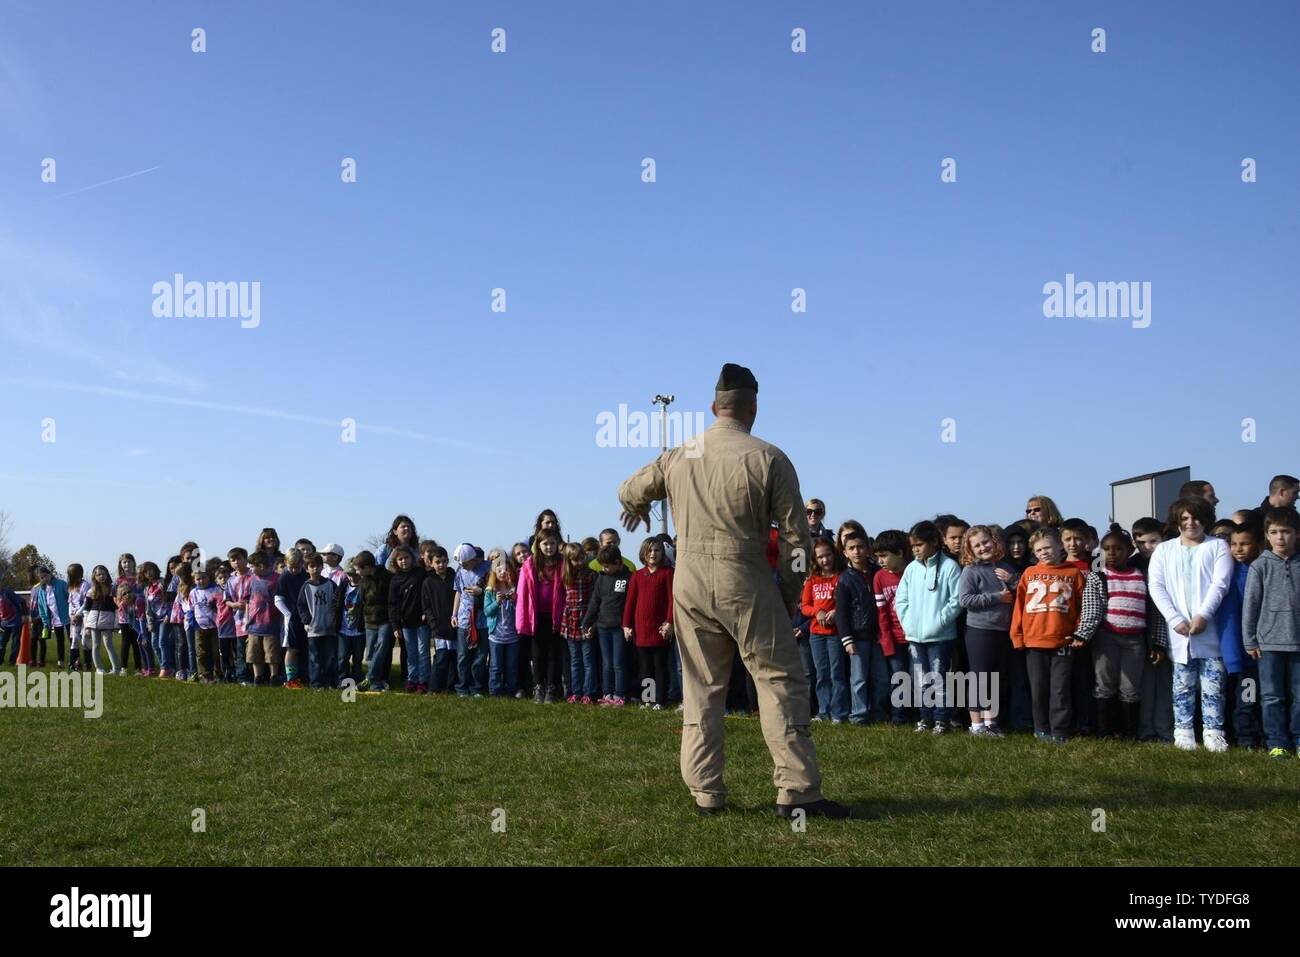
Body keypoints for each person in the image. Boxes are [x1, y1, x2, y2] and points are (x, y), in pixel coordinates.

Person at [618, 362, 846, 818]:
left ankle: (706, 794)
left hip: (690, 581)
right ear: (752, 408)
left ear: (713, 407)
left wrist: (636, 505)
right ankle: (797, 791)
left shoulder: (681, 454)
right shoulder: (769, 457)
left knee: (701, 687)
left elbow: (628, 488)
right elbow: (798, 539)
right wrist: (788, 589)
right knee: (778, 680)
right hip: (746, 579)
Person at [1147, 496, 1233, 752]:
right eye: (1184, 518)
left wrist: (1204, 614)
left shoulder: (1217, 546)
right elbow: (1157, 586)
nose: (1190, 523)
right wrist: (1174, 618)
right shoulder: (1165, 549)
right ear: (1176, 521)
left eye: (1195, 517)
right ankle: (1183, 731)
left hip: (1211, 629)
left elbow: (1220, 583)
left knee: (1213, 685)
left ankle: (1213, 731)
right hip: (1179, 631)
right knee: (1182, 684)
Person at [1010, 527, 1086, 743]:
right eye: (1039, 549)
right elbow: (1019, 607)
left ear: (1059, 546)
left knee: (1060, 690)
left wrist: (1078, 633)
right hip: (1034, 640)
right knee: (1039, 689)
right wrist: (1017, 636)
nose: (1044, 552)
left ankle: (1060, 731)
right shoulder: (1029, 573)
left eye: (1048, 547)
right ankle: (1041, 729)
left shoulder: (1073, 573)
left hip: (1063, 640)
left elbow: (1082, 607)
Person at [1242, 507, 1300, 758]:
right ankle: (1277, 742)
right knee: (1272, 696)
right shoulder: (1259, 566)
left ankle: (1298, 740)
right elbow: (1250, 606)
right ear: (1266, 535)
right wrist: (1250, 639)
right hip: (1267, 643)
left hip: (1298, 643)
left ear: (1296, 534)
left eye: (1286, 532)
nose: (1280, 537)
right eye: (1274, 532)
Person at [895, 521, 962, 735]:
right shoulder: (911, 569)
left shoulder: (950, 567)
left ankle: (942, 719)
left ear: (934, 542)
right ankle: (925, 717)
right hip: (915, 636)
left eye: (919, 544)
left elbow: (957, 600)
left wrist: (940, 621)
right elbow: (901, 599)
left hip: (941, 637)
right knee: (921, 679)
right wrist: (908, 623)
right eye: (912, 545)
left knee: (939, 677)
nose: (915, 549)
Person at [957, 525, 1019, 736]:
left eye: (985, 542)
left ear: (994, 541)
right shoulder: (971, 571)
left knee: (995, 677)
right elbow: (965, 600)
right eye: (977, 545)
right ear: (970, 550)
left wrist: (1012, 580)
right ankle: (976, 725)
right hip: (979, 631)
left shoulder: (1005, 567)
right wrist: (997, 597)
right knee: (980, 677)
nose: (983, 547)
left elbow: (1024, 590)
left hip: (1003, 631)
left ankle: (991, 722)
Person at [1216, 524, 1261, 748]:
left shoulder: (1262, 570)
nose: (1238, 549)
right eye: (1234, 544)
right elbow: (1230, 617)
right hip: (1244, 654)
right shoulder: (1230, 575)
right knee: (1246, 698)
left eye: (1244, 544)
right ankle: (1246, 739)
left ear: (1259, 545)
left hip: (1266, 650)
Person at [836, 529, 883, 725]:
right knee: (859, 680)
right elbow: (841, 613)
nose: (857, 552)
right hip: (857, 637)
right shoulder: (845, 579)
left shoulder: (878, 572)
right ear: (845, 552)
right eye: (851, 548)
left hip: (879, 635)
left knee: (882, 679)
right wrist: (847, 640)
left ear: (868, 549)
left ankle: (879, 712)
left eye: (860, 547)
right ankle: (859, 715)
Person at [623, 537, 674, 709]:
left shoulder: (668, 573)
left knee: (660, 667)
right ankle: (648, 698)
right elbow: (630, 602)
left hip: (660, 630)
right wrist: (626, 625)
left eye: (657, 550)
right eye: (650, 550)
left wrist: (669, 622)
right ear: (643, 553)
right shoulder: (637, 575)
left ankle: (660, 700)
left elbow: (672, 600)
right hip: (641, 631)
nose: (653, 553)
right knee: (645, 669)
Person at [517, 530, 567, 704]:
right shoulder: (530, 564)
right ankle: (538, 686)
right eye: (545, 543)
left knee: (554, 654)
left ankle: (552, 687)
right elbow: (522, 593)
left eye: (552, 543)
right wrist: (523, 619)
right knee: (537, 654)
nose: (549, 547)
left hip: (556, 615)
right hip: (535, 616)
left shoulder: (563, 563)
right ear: (538, 545)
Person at [802, 538, 847, 723]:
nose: (825, 560)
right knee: (821, 674)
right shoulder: (812, 580)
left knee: (837, 673)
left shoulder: (842, 576)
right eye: (820, 557)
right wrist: (817, 612)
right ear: (815, 559)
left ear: (834, 554)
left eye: (828, 555)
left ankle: (839, 713)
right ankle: (823, 711)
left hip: (836, 633)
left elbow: (848, 602)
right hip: (816, 634)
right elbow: (804, 606)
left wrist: (837, 611)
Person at [584, 544, 632, 707]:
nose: (604, 569)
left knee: (618, 662)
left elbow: (631, 604)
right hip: (603, 627)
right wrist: (587, 622)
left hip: (620, 628)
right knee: (606, 663)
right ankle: (607, 693)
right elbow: (595, 602)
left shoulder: (629, 578)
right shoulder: (601, 578)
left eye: (607, 566)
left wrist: (628, 624)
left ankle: (620, 695)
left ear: (618, 562)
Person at [872, 530, 912, 725]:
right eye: (878, 556)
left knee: (922, 677)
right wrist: (887, 642)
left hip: (917, 636)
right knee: (899, 678)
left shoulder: (913, 571)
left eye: (884, 555)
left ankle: (924, 716)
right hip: (894, 638)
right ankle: (899, 717)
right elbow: (882, 614)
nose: (880, 560)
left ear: (900, 553)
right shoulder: (879, 577)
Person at [452, 543, 491, 697]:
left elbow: (497, 588)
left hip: (483, 619)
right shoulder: (460, 571)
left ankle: (477, 688)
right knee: (462, 655)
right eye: (461, 564)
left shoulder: (489, 567)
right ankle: (462, 687)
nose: (463, 566)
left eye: (466, 563)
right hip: (464, 618)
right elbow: (458, 593)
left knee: (481, 656)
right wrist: (454, 614)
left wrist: (481, 591)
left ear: (474, 559)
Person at [560, 542, 597, 704]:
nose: (580, 562)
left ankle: (588, 693)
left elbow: (596, 600)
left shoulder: (591, 575)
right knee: (575, 660)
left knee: (588, 660)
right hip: (570, 620)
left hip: (586, 618)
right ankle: (576, 692)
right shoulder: (564, 576)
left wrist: (592, 622)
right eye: (576, 560)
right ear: (569, 560)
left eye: (582, 558)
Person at [388, 546, 428, 694]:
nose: (404, 561)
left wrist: (426, 612)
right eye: (400, 559)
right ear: (396, 562)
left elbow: (427, 594)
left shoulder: (420, 574)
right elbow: (392, 604)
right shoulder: (395, 580)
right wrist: (395, 626)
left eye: (406, 558)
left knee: (423, 652)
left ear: (412, 559)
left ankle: (423, 681)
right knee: (411, 654)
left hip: (422, 621)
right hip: (405, 623)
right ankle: (412, 680)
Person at [298, 553, 341, 690]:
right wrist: (306, 620)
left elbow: (337, 602)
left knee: (330, 657)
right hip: (313, 629)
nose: (315, 569)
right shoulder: (305, 587)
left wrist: (335, 620)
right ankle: (316, 683)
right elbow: (301, 606)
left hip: (329, 628)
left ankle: (331, 682)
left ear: (322, 567)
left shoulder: (330, 584)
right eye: (311, 566)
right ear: (307, 569)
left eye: (318, 566)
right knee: (314, 658)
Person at [419, 545, 458, 693]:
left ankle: (452, 687)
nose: (441, 565)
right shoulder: (428, 582)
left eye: (443, 561)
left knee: (454, 658)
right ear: (431, 563)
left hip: (454, 625)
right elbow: (426, 607)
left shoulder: (454, 577)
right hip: (439, 628)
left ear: (447, 561)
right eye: (437, 562)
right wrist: (433, 624)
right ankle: (435, 688)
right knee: (441, 658)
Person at [354, 550, 394, 692]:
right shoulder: (363, 582)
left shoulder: (387, 577)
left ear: (367, 567)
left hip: (385, 620)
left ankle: (369, 677)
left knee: (381, 647)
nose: (357, 572)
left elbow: (392, 599)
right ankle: (375, 683)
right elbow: (363, 601)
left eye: (359, 569)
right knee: (370, 652)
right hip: (369, 621)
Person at [243, 552, 283, 686]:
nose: (250, 569)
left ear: (261, 565)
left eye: (252, 566)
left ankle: (274, 676)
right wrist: (246, 618)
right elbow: (248, 600)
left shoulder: (277, 579)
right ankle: (258, 677)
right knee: (255, 653)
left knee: (271, 653)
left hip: (271, 622)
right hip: (254, 623)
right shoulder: (251, 579)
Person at [484, 554, 521, 697]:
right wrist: (496, 602)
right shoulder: (490, 591)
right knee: (495, 666)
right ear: (494, 572)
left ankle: (511, 690)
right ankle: (494, 691)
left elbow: (520, 611)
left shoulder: (514, 588)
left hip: (512, 636)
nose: (502, 573)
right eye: (499, 571)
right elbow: (487, 611)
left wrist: (513, 599)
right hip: (496, 636)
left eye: (505, 571)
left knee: (511, 666)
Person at [275, 548, 310, 690]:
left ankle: (306, 676)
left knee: (306, 648)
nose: (294, 570)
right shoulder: (284, 577)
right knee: (292, 649)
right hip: (292, 619)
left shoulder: (306, 575)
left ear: (302, 563)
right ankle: (291, 679)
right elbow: (278, 599)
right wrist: (288, 614)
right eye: (291, 567)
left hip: (306, 617)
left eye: (297, 566)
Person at [83, 565, 122, 675]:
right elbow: (86, 609)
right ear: (94, 576)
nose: (101, 576)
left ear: (107, 574)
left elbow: (117, 609)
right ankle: (99, 668)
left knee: (109, 645)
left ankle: (116, 669)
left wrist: (116, 625)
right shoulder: (91, 591)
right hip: (93, 623)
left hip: (107, 622)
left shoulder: (113, 590)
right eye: (98, 574)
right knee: (95, 645)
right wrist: (86, 625)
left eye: (103, 574)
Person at [189, 566, 222, 682]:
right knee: (201, 652)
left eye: (203, 578)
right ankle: (205, 674)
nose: (201, 581)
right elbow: (190, 609)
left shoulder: (216, 590)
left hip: (215, 626)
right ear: (194, 580)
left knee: (216, 651)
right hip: (200, 627)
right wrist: (192, 623)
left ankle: (218, 673)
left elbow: (221, 608)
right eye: (198, 579)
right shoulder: (193, 592)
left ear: (209, 577)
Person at [66, 563, 90, 672]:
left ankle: (88, 664)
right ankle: (72, 664)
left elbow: (86, 602)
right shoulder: (71, 586)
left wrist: (77, 615)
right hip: (74, 618)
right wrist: (71, 615)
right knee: (74, 640)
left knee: (85, 640)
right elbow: (70, 602)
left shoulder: (85, 585)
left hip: (84, 616)